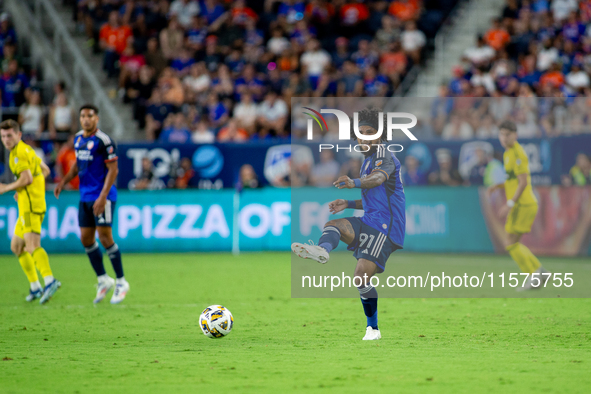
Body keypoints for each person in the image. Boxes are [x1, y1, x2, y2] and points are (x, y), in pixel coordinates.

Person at [292, 107, 406, 341]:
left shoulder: (385, 156)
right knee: (333, 225)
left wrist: (354, 182)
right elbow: (375, 198)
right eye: (360, 132)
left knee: (360, 277)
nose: (364, 136)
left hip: (385, 227)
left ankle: (373, 329)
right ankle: (322, 250)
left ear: (380, 134)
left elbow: (376, 180)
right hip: (371, 219)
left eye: (370, 132)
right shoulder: (367, 161)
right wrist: (349, 202)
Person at [54, 104, 130, 304]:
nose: (86, 119)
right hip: (85, 196)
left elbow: (113, 170)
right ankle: (103, 279)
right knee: (86, 239)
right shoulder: (79, 138)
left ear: (97, 118)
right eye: (83, 116)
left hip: (102, 196)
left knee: (105, 238)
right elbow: (78, 165)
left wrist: (103, 196)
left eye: (90, 116)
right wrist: (63, 182)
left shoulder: (104, 141)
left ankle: (121, 281)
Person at [0, 119, 60, 304]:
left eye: (9, 135)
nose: (6, 139)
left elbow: (26, 178)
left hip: (30, 207)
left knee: (32, 245)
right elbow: (45, 170)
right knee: (17, 247)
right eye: (3, 136)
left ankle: (49, 281)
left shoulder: (18, 154)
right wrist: (25, 190)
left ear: (18, 135)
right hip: (29, 203)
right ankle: (35, 287)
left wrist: (8, 187)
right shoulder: (27, 149)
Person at [487, 120, 549, 290]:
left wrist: (510, 203)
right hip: (521, 204)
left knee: (511, 243)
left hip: (523, 204)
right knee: (512, 242)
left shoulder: (518, 154)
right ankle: (538, 272)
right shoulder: (507, 154)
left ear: (515, 135)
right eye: (502, 134)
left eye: (508, 135)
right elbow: (512, 179)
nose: (504, 138)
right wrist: (497, 186)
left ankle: (535, 273)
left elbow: (523, 182)